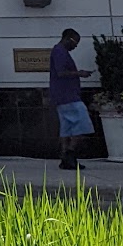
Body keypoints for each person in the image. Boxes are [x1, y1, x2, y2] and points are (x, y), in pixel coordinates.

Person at [49, 27, 95, 170]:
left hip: (61, 96)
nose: (76, 46)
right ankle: (70, 153)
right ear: (68, 39)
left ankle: (65, 157)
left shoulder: (58, 51)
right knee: (82, 123)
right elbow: (61, 72)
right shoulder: (60, 52)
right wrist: (80, 73)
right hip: (68, 96)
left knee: (67, 127)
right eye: (75, 42)